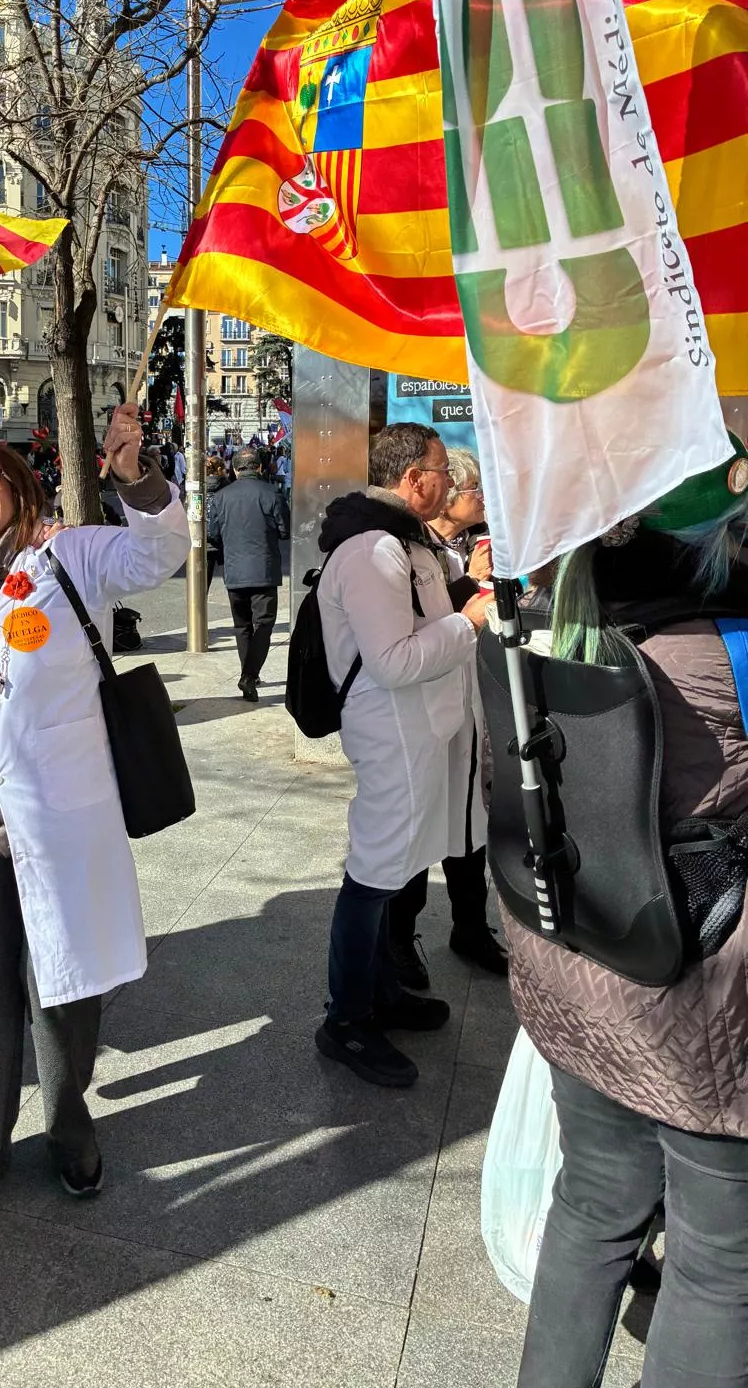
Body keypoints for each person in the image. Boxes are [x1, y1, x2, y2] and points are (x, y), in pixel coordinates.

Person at [0, 402, 189, 1212]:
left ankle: (69, 1121)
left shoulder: (68, 559)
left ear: (19, 492)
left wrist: (135, 477)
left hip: (59, 812)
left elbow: (160, 553)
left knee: (64, 977)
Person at [510, 444, 748, 1388]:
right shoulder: (727, 646)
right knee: (721, 1257)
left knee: (593, 1203)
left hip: (584, 965)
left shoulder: (555, 619)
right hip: (706, 994)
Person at [313, 423, 489, 1087]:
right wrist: (466, 625)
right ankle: (346, 1021)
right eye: (443, 469)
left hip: (419, 730)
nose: (451, 483)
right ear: (415, 478)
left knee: (394, 871)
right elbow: (392, 661)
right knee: (373, 877)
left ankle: (381, 992)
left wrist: (467, 595)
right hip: (391, 733)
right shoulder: (372, 550)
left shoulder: (403, 543)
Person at [389, 445, 507, 984]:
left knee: (467, 829)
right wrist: (467, 598)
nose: (481, 498)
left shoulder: (456, 549)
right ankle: (398, 945)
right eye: (472, 489)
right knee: (420, 839)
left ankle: (471, 927)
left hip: (465, 708)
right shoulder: (407, 553)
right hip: (422, 718)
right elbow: (409, 640)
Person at [206, 446, 290, 702]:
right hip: (263, 570)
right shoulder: (271, 493)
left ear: (234, 469)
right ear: (260, 468)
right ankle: (249, 676)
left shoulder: (221, 496)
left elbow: (213, 533)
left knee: (242, 626)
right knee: (263, 624)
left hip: (233, 571)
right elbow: (285, 529)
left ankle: (249, 675)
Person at [205, 454, 230, 591]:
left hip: (203, 540)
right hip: (224, 539)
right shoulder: (228, 487)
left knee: (201, 587)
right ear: (220, 469)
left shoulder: (196, 486)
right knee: (232, 584)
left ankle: (197, 611)